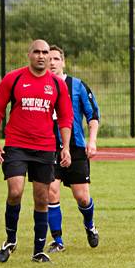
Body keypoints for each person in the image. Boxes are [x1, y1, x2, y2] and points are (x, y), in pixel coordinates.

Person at [0, 39, 73, 264]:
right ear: (29, 54)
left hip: (45, 147)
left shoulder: (57, 84)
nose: (41, 56)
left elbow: (66, 118)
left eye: (45, 52)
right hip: (16, 145)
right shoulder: (14, 78)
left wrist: (65, 147)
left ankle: (38, 250)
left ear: (49, 56)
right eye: (36, 52)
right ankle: (10, 240)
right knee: (15, 191)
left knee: (42, 198)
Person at [46, 45, 101, 251]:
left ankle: (90, 225)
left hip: (76, 147)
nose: (52, 62)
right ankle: (58, 241)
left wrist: (92, 141)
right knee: (51, 190)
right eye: (49, 58)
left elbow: (93, 115)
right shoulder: (41, 86)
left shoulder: (77, 86)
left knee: (82, 197)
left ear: (63, 62)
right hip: (49, 147)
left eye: (56, 59)